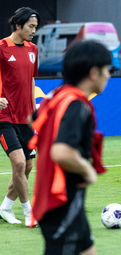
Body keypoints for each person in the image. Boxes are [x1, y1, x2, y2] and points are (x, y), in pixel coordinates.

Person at [28, 40, 111, 254]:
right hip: (61, 201)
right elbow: (61, 152)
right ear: (94, 73)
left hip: (60, 199)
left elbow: (33, 118)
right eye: (106, 70)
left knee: (87, 250)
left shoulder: (58, 95)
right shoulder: (76, 105)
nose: (109, 76)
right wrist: (88, 170)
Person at [0, 7, 40, 226]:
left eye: (35, 27)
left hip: (26, 117)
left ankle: (5, 208)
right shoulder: (1, 48)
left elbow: (31, 80)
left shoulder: (33, 49)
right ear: (18, 25)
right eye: (31, 26)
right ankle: (28, 213)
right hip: (3, 116)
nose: (34, 30)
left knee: (27, 167)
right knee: (18, 162)